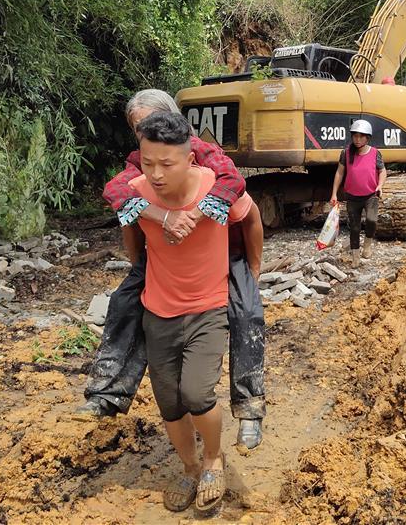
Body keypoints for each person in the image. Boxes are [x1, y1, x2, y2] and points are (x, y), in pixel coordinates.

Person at [78, 89, 266, 451]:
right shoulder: (141, 162)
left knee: (248, 313)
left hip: (225, 253)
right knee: (124, 304)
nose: (144, 135)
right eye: (138, 130)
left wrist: (251, 268)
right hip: (166, 266)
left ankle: (250, 407)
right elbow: (120, 199)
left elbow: (236, 187)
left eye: (148, 124)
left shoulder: (203, 155)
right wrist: (146, 250)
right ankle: (108, 392)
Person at [131, 111, 260, 513]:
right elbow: (129, 226)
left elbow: (251, 218)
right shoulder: (137, 191)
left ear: (189, 158)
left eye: (166, 164)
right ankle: (188, 466)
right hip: (158, 311)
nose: (155, 173)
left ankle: (212, 460)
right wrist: (138, 270)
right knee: (169, 401)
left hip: (208, 307)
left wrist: (252, 273)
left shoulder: (214, 190)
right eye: (148, 162)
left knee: (197, 393)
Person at [330, 119, 387, 267]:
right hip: (353, 197)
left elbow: (382, 171)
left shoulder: (375, 153)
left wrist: (380, 185)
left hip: (370, 195)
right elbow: (339, 173)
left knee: (371, 220)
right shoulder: (346, 153)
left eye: (361, 136)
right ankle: (355, 256)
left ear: (367, 138)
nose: (357, 139)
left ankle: (367, 244)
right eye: (355, 136)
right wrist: (334, 193)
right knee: (354, 228)